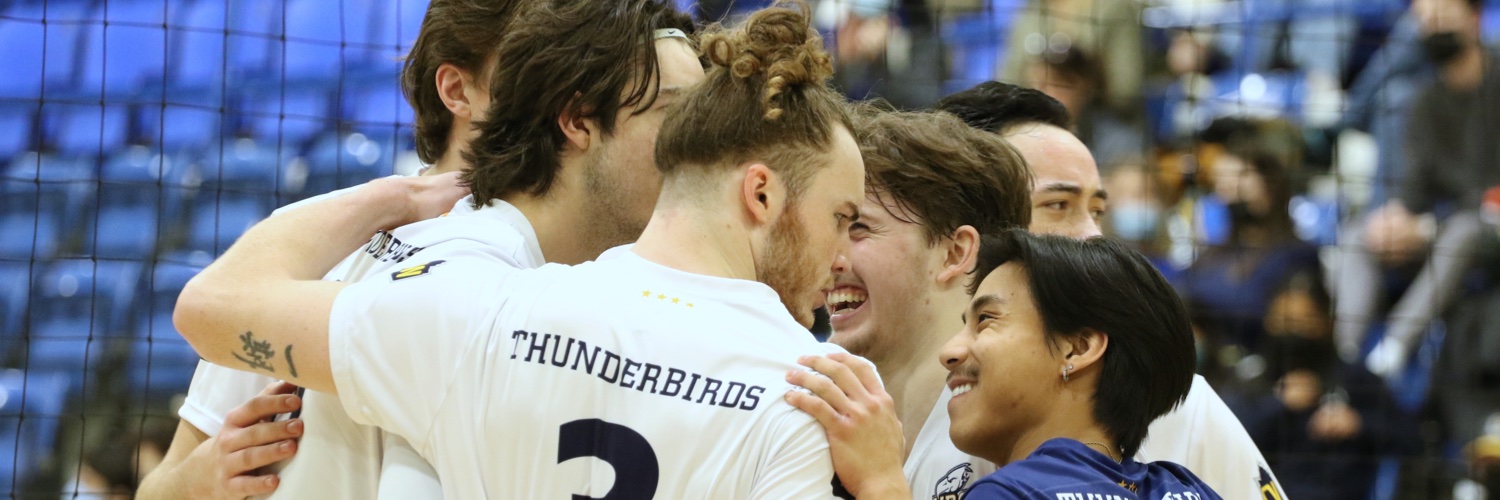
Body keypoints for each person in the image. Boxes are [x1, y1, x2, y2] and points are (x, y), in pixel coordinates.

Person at [175, 3, 871, 497]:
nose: (694, 148)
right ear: (576, 123)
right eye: (671, 118)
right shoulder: (474, 284)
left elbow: (216, 306)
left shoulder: (483, 283)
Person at [792, 82, 1284, 499]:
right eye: (1058, 206)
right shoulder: (812, 392)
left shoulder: (1141, 396)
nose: (1091, 236)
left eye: (1097, 209)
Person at [792, 230, 1219, 499]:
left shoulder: (1012, 492)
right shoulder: (1188, 488)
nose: (951, 351)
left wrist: (880, 483)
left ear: (1078, 348)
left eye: (987, 320)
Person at [1334, 0, 1500, 379]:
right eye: (1426, 19)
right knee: (1358, 235)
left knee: (1463, 231)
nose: (1434, 25)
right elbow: (1412, 181)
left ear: (1474, 20)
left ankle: (1394, 348)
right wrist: (1397, 218)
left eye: (1444, 15)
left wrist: (1428, 225)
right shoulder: (1424, 101)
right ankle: (1345, 360)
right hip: (1445, 223)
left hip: (1487, 228)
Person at [1227, 272, 1421, 500]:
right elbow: (1227, 444)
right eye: (1283, 321)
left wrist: (1358, 424)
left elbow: (1411, 439)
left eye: (1303, 322)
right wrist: (1279, 405)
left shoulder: (1353, 378)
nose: (1293, 332)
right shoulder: (1252, 379)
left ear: (1325, 322)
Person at [1182, 144, 1320, 350]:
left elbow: (1253, 305)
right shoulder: (1213, 253)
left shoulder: (1296, 254)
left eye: (1241, 177)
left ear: (1271, 183)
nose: (1229, 188)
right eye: (1222, 181)